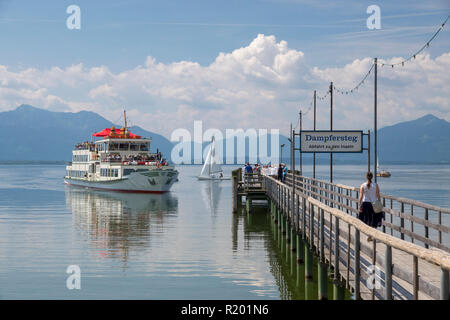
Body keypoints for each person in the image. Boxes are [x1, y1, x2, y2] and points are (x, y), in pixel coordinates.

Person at [358, 172, 384, 242]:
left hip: (365, 204)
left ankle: (368, 234)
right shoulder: (376, 185)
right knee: (375, 220)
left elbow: (360, 196)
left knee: (366, 219)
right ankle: (371, 235)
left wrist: (359, 205)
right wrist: (379, 203)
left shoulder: (363, 185)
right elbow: (378, 195)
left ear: (366, 177)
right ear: (372, 177)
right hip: (374, 204)